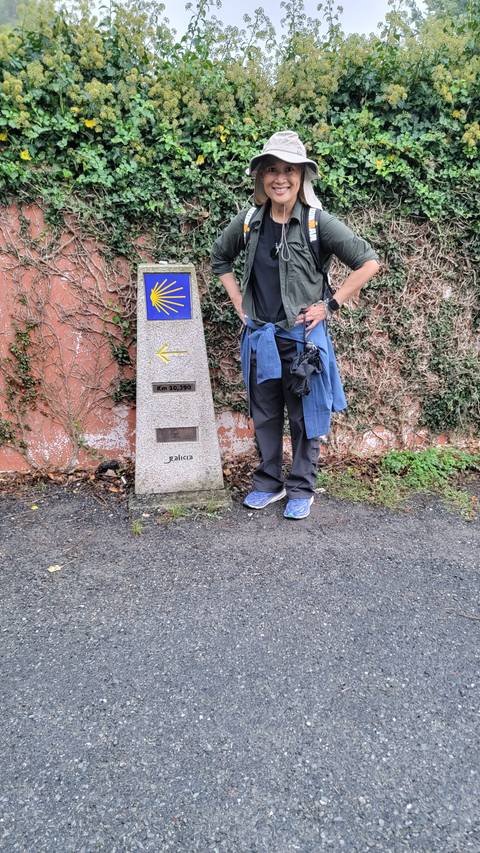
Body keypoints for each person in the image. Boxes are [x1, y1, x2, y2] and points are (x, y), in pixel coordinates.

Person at [211, 130, 380, 519]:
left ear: (302, 176)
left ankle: (302, 486)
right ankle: (268, 483)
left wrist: (330, 303)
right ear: (261, 177)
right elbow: (220, 258)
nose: (280, 178)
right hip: (260, 338)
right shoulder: (251, 221)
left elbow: (368, 262)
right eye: (272, 169)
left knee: (306, 416)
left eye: (289, 169)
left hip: (304, 340)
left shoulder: (318, 222)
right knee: (266, 414)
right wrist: (240, 303)